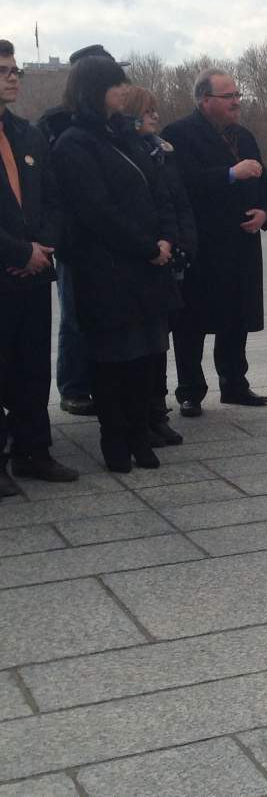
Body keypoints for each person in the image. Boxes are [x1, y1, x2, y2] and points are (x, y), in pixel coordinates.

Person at [50, 56, 181, 472]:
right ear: (93, 91)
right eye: (114, 85)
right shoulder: (74, 142)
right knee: (112, 358)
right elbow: (97, 211)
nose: (123, 91)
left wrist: (165, 238)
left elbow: (158, 192)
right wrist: (146, 245)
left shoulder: (125, 136)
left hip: (145, 265)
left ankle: (141, 433)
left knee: (146, 354)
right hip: (106, 268)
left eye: (123, 84)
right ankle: (115, 438)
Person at [163, 68, 267, 417]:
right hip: (203, 245)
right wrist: (230, 174)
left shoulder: (243, 135)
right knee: (192, 321)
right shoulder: (178, 133)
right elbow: (180, 184)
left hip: (241, 244)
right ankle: (190, 391)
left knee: (236, 317)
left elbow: (266, 181)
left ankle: (235, 384)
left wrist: (265, 214)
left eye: (238, 95)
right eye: (229, 97)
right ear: (205, 100)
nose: (237, 102)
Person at [0, 38, 78, 497]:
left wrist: (44, 245)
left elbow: (54, 198)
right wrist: (17, 253)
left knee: (31, 367)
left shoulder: (28, 134)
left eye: (14, 69)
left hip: (33, 272)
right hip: (7, 267)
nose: (13, 76)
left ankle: (33, 451)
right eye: (4, 69)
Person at [37, 44, 126, 417]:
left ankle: (106, 384)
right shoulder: (55, 123)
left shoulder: (118, 124)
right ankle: (74, 387)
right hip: (75, 238)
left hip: (113, 242)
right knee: (74, 317)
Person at [122, 86, 198, 446]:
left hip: (171, 255)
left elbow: (177, 201)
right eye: (148, 111)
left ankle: (157, 411)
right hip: (143, 259)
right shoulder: (128, 154)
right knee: (143, 342)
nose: (155, 117)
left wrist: (182, 241)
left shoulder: (163, 155)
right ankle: (141, 415)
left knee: (160, 341)